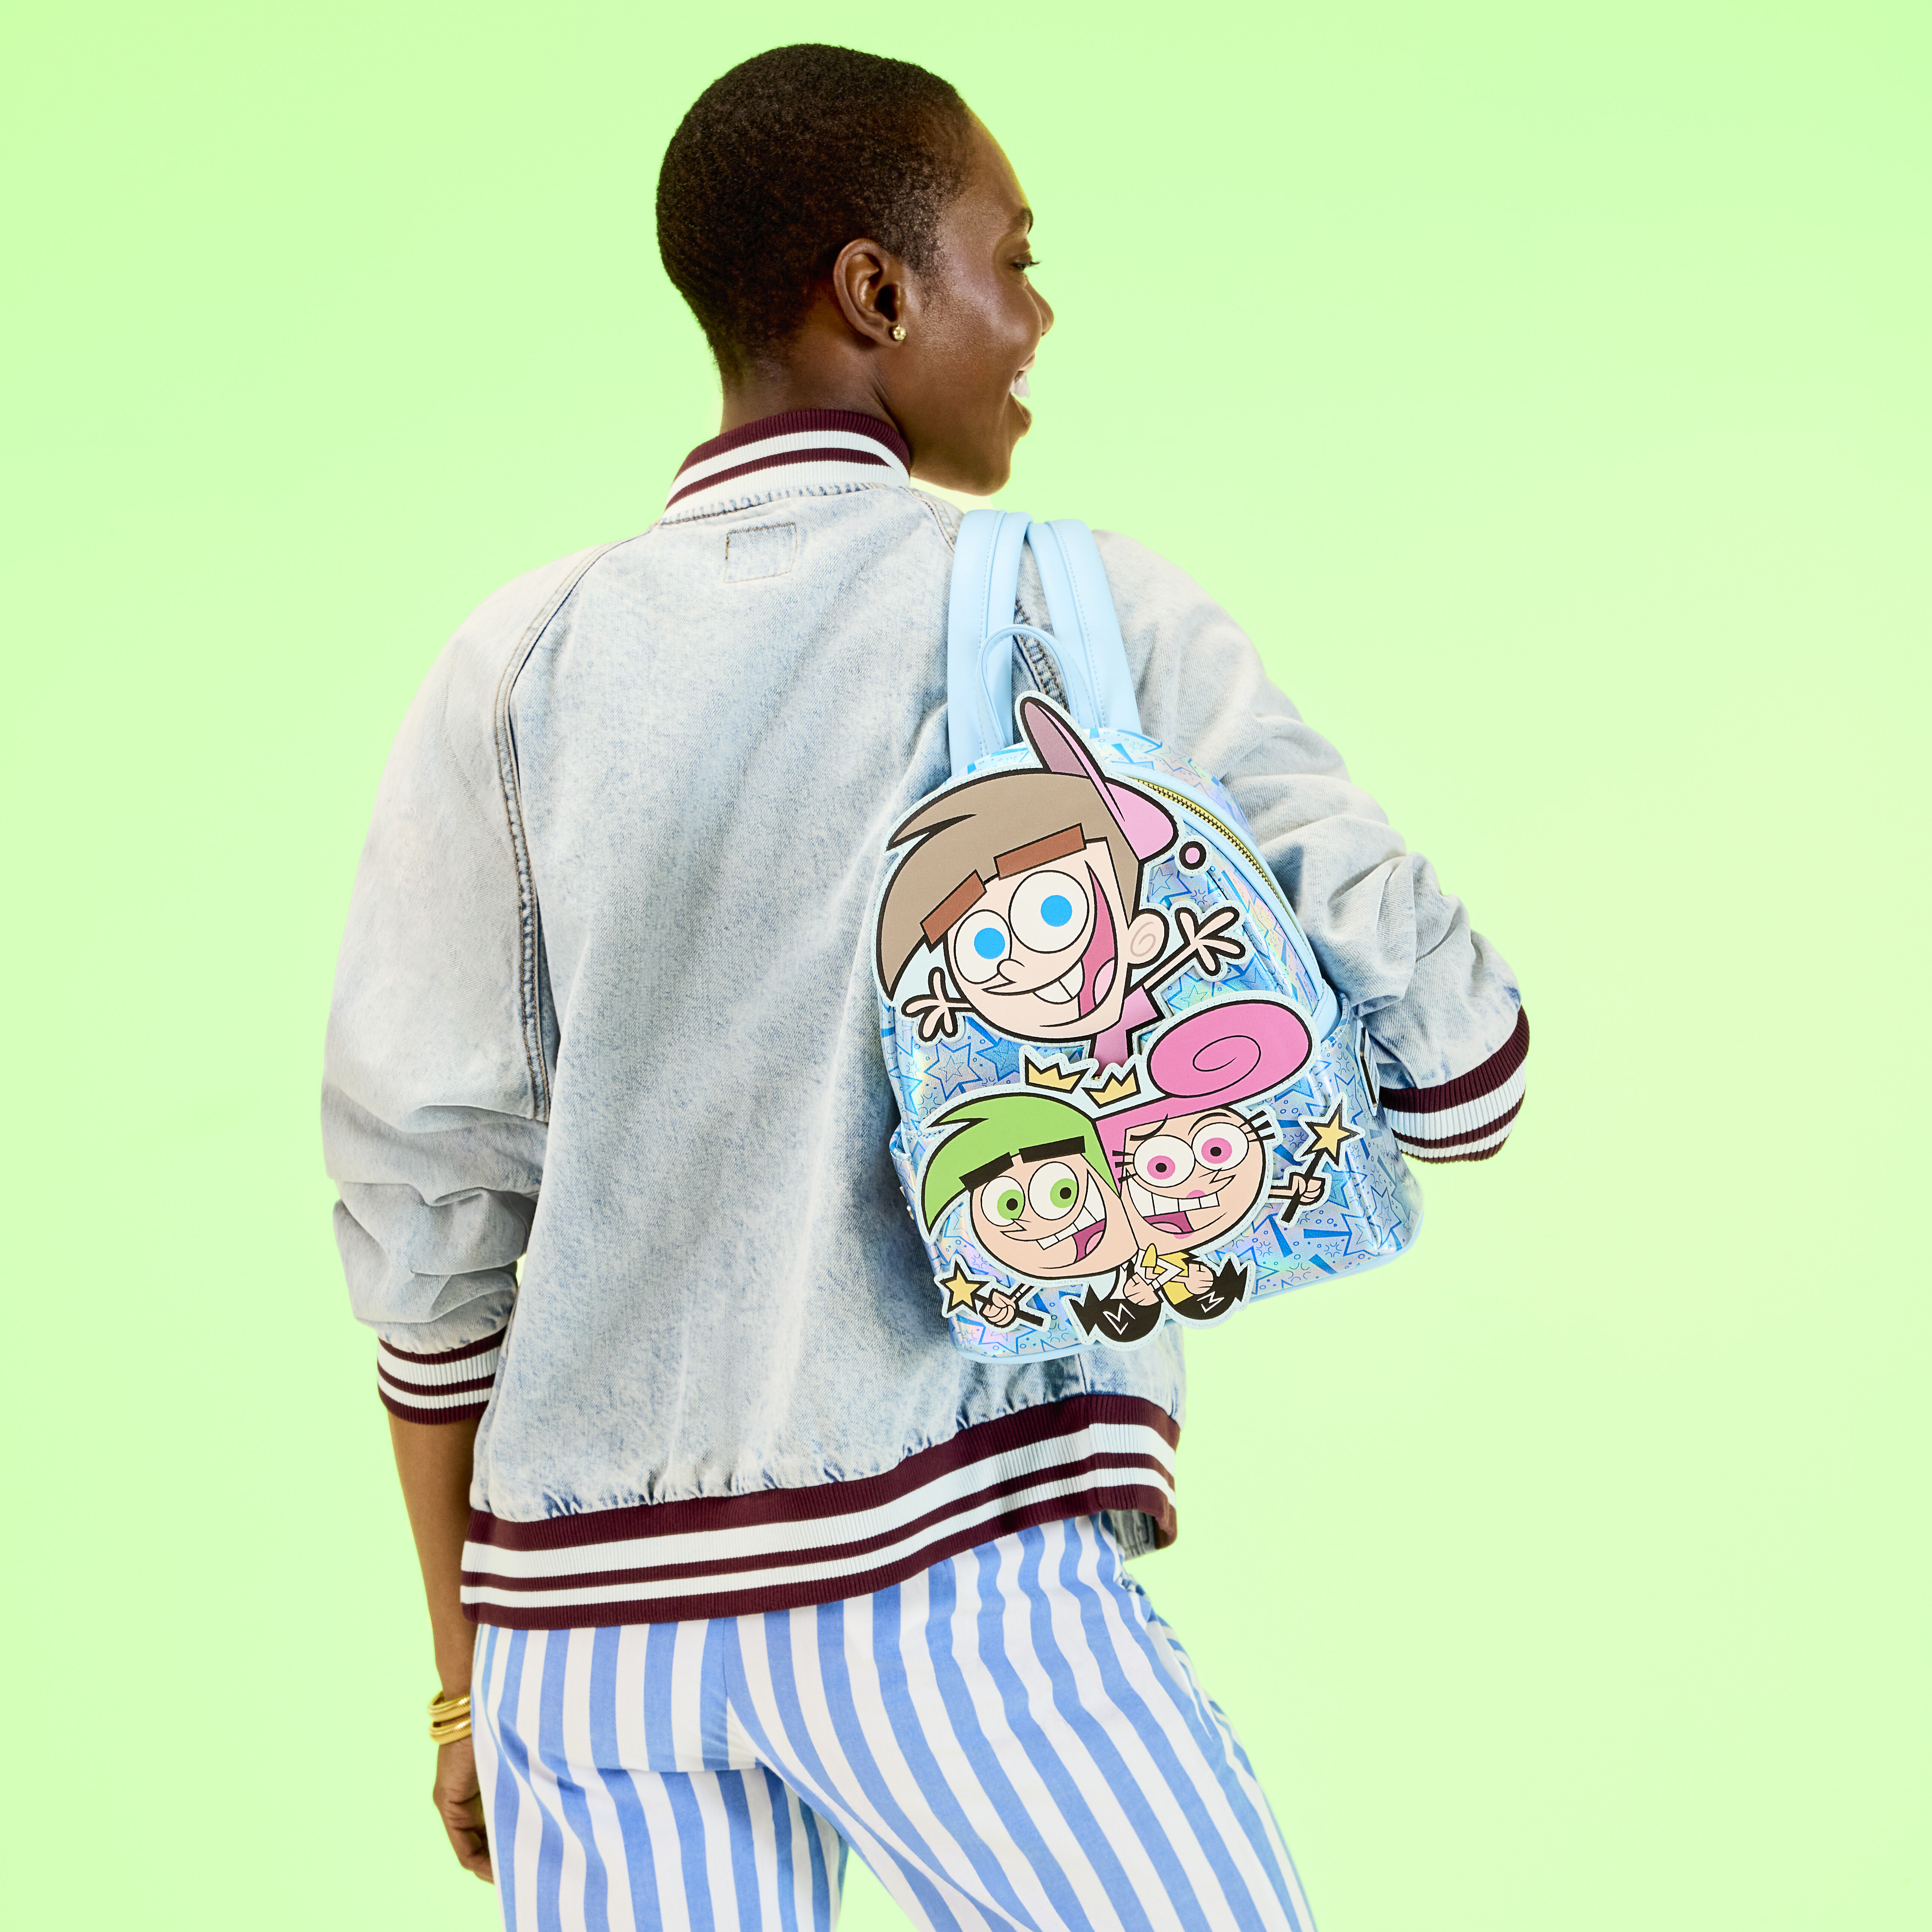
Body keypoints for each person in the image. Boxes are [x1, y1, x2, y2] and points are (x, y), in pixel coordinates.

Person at [323, 41, 1529, 1932]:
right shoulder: (1081, 605)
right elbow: (1465, 1070)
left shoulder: (510, 663)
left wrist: (463, 1678)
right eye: (1011, 258)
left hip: (578, 1644)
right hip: (945, 1570)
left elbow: (429, 1219)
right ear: (874, 292)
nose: (1038, 316)